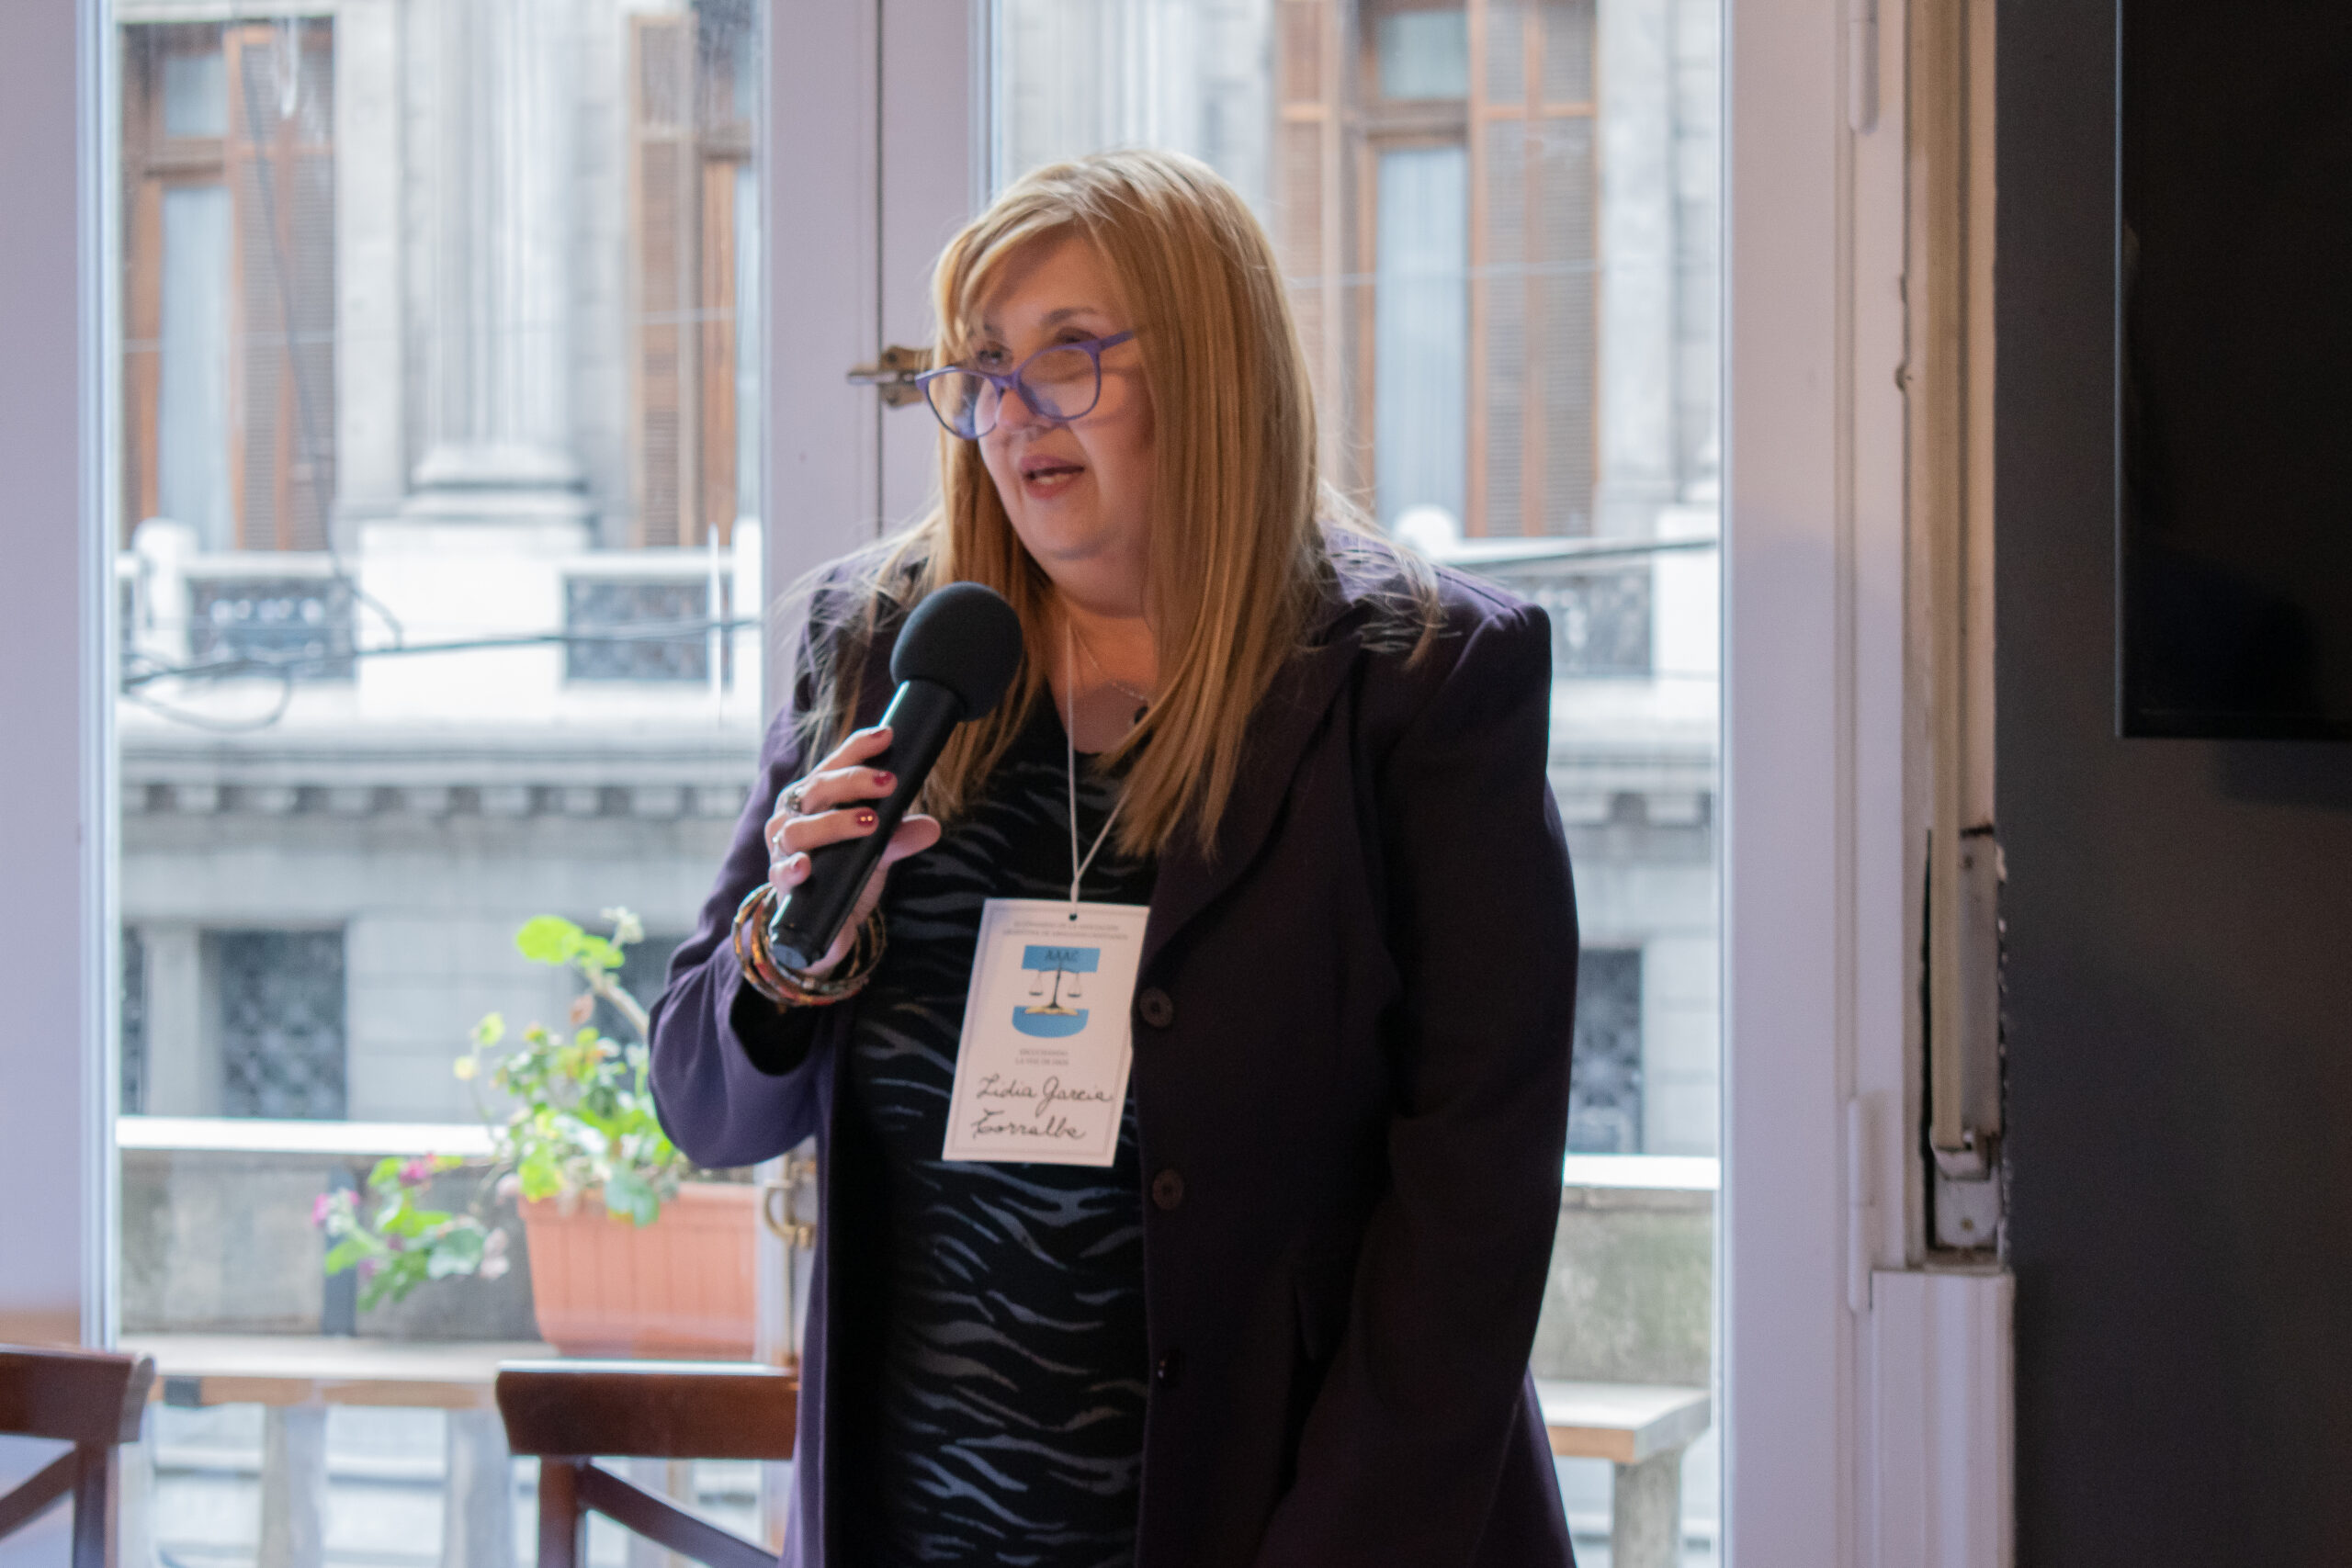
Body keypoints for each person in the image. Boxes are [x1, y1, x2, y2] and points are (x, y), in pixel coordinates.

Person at [648, 149, 1580, 1568]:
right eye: (983, 368)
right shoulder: (885, 643)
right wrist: (791, 946)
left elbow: (1472, 1212)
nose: (1013, 411)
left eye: (1070, 354)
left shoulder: (1414, 684)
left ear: (1212, 372)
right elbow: (705, 1107)